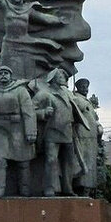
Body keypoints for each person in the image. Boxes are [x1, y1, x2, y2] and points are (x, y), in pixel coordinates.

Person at [0, 65, 38, 197]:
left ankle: (24, 188)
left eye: (6, 73)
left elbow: (29, 112)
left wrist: (30, 131)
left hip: (17, 127)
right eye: (0, 73)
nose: (3, 75)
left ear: (10, 75)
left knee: (23, 161)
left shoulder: (20, 91)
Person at [32, 68, 78, 196]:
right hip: (52, 131)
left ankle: (68, 188)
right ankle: (49, 188)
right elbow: (30, 110)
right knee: (51, 160)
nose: (63, 78)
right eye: (60, 76)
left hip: (67, 131)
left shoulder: (67, 94)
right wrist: (43, 113)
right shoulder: (44, 94)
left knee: (69, 161)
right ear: (52, 78)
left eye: (64, 76)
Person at [69, 78, 102, 195]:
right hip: (81, 136)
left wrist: (98, 126)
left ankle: (87, 190)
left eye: (86, 87)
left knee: (90, 162)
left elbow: (94, 118)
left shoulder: (87, 101)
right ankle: (79, 188)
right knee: (81, 162)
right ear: (78, 88)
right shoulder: (76, 99)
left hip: (91, 138)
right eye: (82, 87)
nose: (85, 89)